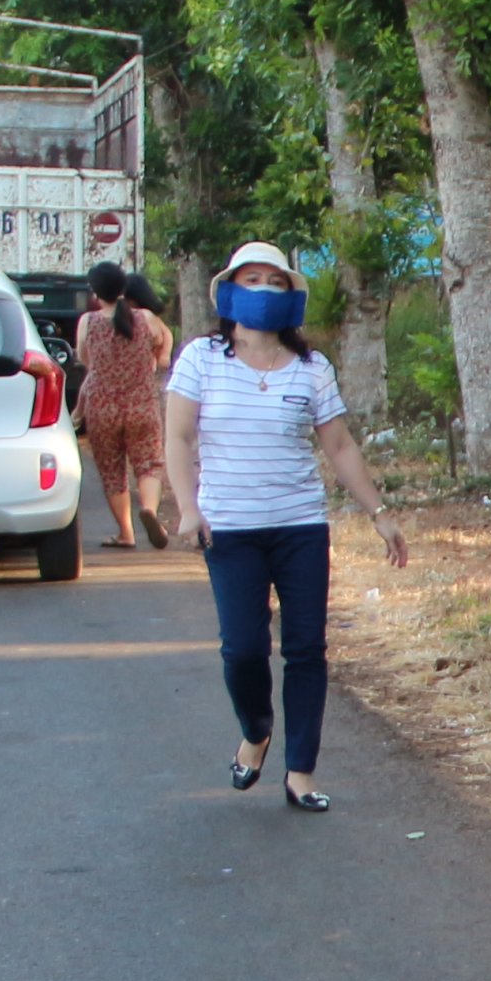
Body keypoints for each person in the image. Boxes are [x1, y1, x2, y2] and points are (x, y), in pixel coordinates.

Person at [163, 243, 406, 811]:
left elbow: (339, 445)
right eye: (253, 279)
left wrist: (380, 513)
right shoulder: (201, 358)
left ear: (292, 296)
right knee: (243, 649)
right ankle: (255, 729)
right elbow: (176, 437)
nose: (265, 291)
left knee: (305, 650)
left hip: (298, 525)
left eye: (277, 282)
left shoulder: (311, 368)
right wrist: (188, 506)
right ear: (228, 291)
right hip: (229, 528)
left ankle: (301, 772)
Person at [76, 262, 175, 549]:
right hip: (141, 404)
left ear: (95, 293)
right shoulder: (145, 318)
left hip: (102, 407)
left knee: (111, 470)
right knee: (149, 465)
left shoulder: (88, 322)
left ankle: (125, 533)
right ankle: (149, 509)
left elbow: (86, 361)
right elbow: (160, 343)